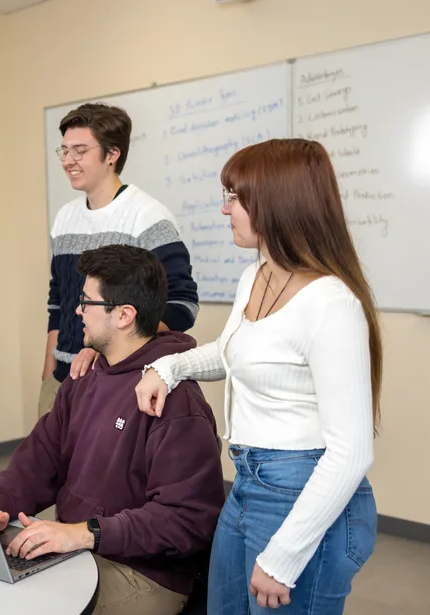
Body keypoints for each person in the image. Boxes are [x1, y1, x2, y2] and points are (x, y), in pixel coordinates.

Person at [135, 139, 381, 614]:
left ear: (275, 204)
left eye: (234, 197)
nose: (225, 209)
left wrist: (285, 557)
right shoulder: (258, 276)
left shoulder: (331, 304)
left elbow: (352, 453)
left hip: (303, 490)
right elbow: (235, 355)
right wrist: (168, 368)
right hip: (249, 482)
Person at [0, 244, 224, 615]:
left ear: (124, 315)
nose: (77, 311)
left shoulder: (177, 401)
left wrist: (84, 533)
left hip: (145, 573)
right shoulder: (87, 374)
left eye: (87, 302)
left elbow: (186, 519)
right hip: (82, 548)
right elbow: (41, 456)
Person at [41, 102, 198, 420]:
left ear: (112, 154)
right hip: (63, 380)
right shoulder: (64, 218)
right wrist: (47, 375)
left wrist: (105, 348)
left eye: (80, 150)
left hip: (120, 384)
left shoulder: (147, 218)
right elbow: (58, 304)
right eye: (64, 150)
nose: (69, 160)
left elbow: (183, 305)